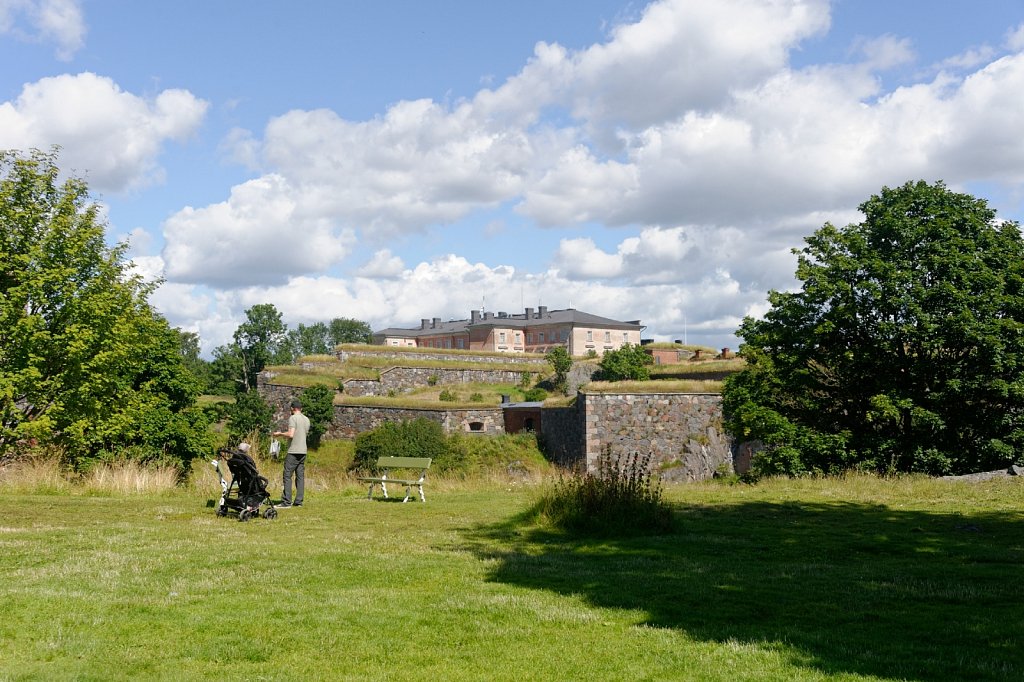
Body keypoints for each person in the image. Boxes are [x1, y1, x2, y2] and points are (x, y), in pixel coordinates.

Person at [273, 399, 310, 508]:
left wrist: (279, 434)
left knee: (287, 475)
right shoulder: (307, 419)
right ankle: (298, 501)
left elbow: (291, 434)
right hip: (303, 451)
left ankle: (286, 501)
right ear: (301, 408)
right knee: (300, 476)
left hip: (293, 451)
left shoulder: (293, 418)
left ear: (292, 409)